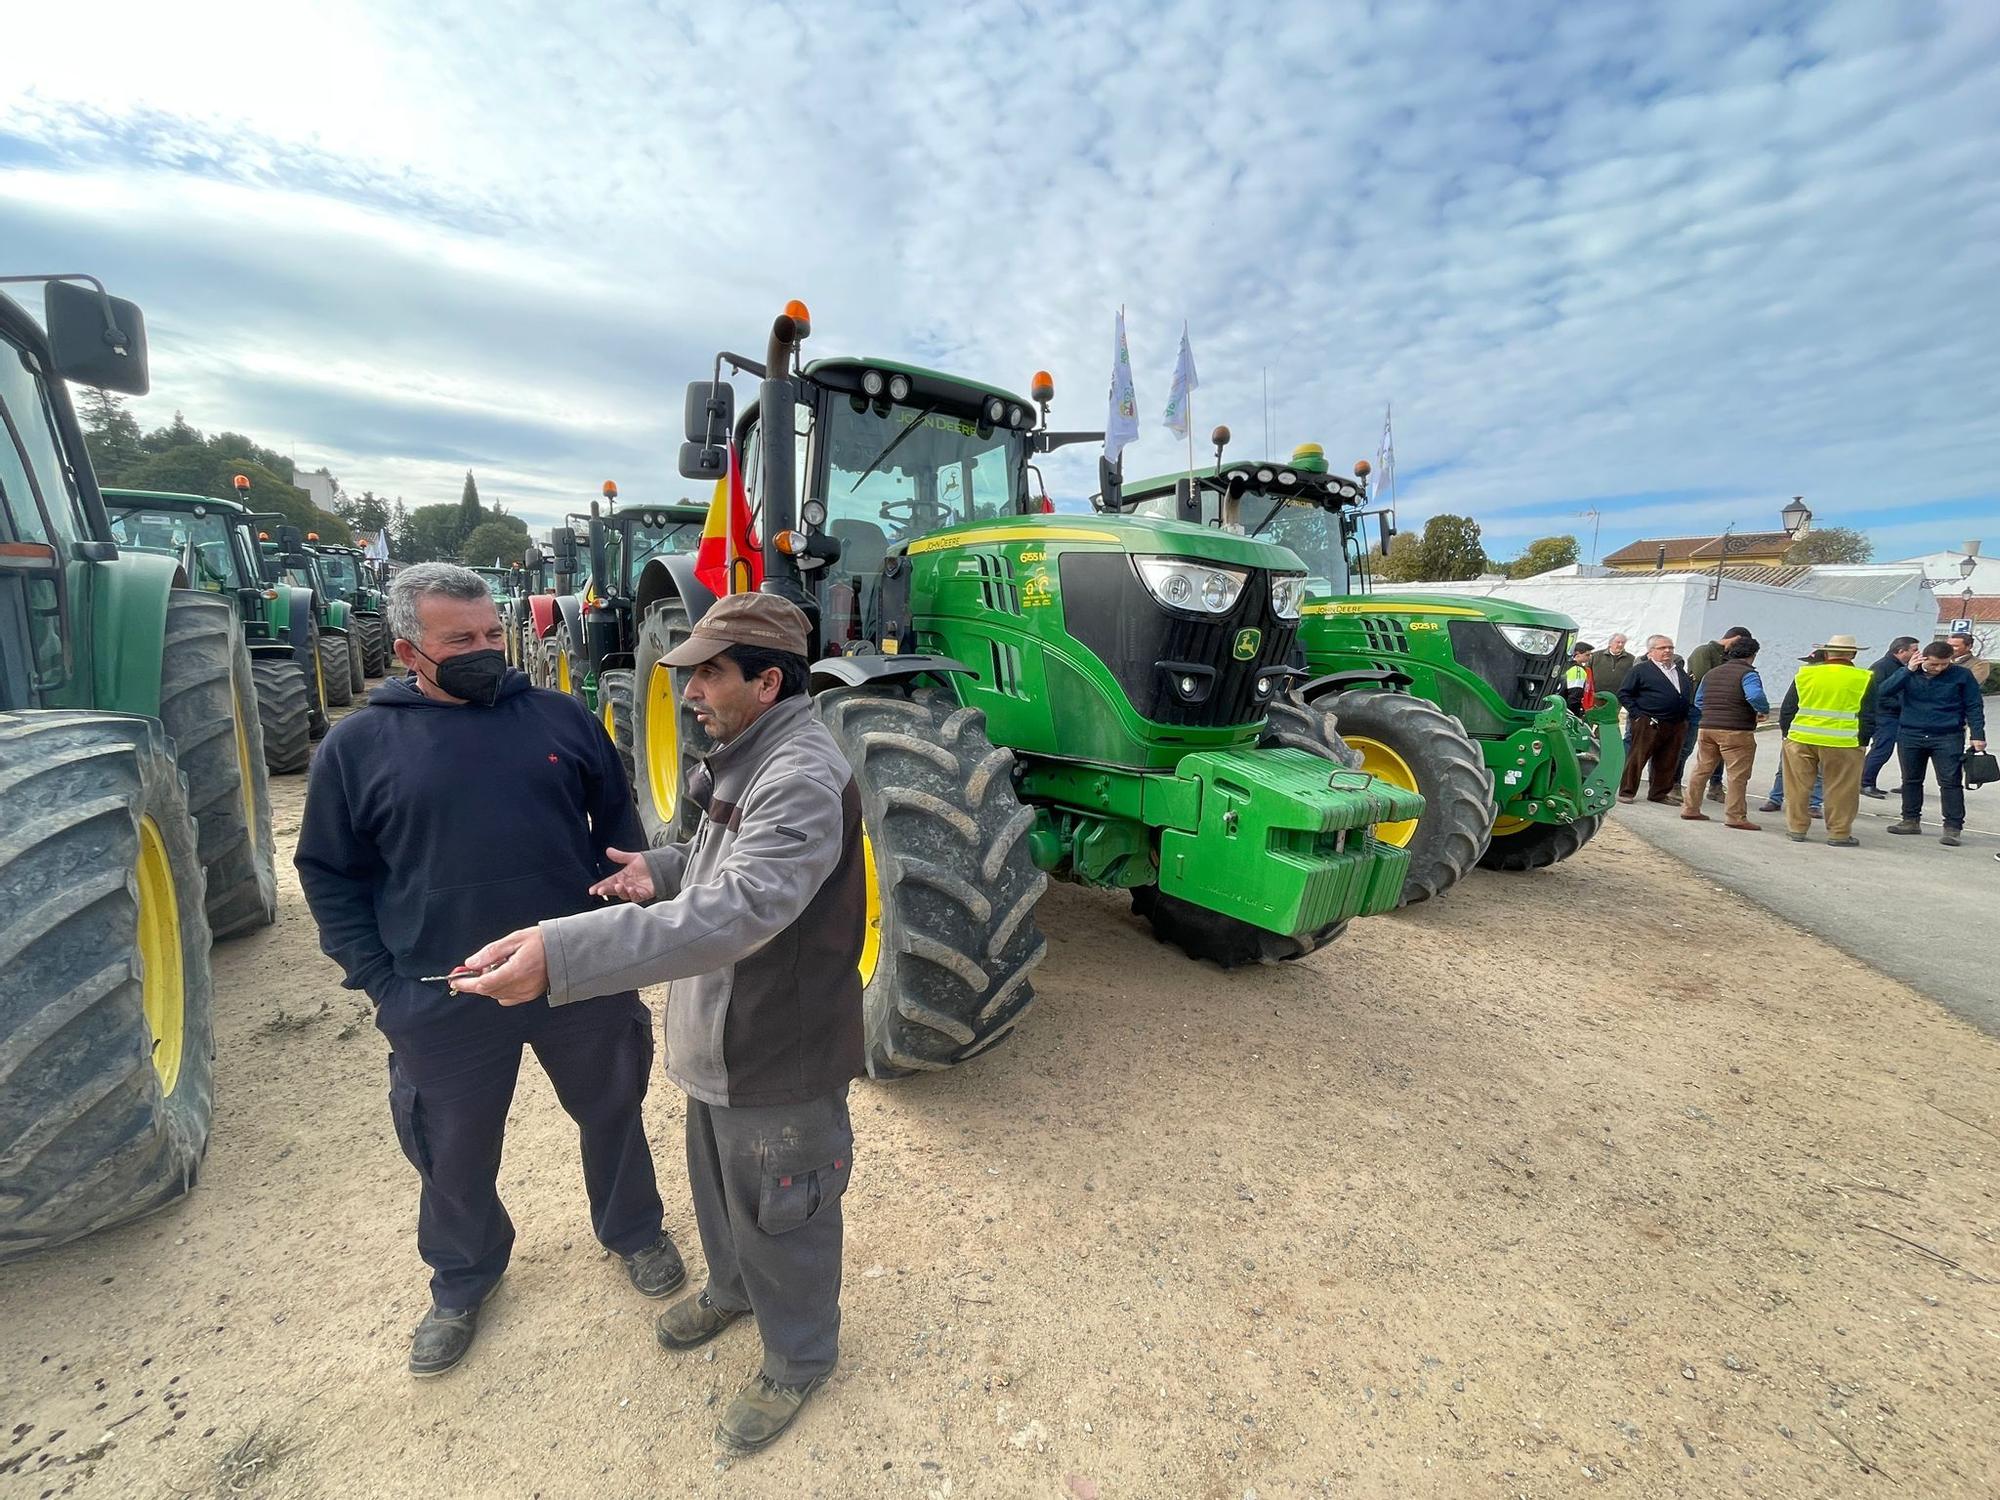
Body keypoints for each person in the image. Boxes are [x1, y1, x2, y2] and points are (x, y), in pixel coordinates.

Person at [454, 593, 864, 1457]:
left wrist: (561, 955)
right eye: (687, 675)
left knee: (784, 1206)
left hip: (777, 1046)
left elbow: (744, 906)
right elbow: (718, 868)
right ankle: (731, 1289)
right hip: (719, 1035)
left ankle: (797, 1357)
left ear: (768, 679)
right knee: (720, 1188)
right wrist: (663, 867)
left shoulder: (799, 776)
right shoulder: (743, 755)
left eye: (709, 674)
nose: (688, 694)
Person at [294, 563, 683, 1377]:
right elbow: (329, 873)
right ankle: (463, 1278)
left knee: (613, 1108)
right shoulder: (358, 747)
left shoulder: (559, 718)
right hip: (445, 991)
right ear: (408, 649)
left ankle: (634, 1231)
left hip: (576, 971)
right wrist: (383, 984)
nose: (483, 652)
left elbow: (616, 827)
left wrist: (616, 922)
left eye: (491, 636)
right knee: (455, 1150)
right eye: (458, 640)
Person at [1880, 640, 1987, 846]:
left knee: (1949, 782)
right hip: (1911, 733)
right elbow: (1884, 691)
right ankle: (1910, 820)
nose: (1939, 668)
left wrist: (1978, 735)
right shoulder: (1909, 673)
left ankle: (1953, 827)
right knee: (1910, 780)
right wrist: (1907, 671)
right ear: (1922, 658)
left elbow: (1974, 705)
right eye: (1934, 664)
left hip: (1947, 736)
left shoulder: (1961, 675)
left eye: (1945, 664)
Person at [1776, 633, 1876, 847]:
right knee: (1841, 790)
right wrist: (1863, 740)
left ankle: (1797, 829)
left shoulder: (1805, 674)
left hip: (1801, 737)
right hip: (1844, 741)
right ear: (1853, 654)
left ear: (1827, 652)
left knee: (1797, 787)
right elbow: (1869, 714)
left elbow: (1788, 708)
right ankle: (1838, 833)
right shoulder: (1864, 677)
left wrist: (1787, 734)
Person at [1680, 636, 1769, 829]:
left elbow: (1699, 700)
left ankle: (1690, 808)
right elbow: (1755, 695)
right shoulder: (1748, 673)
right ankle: (1735, 816)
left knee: (1701, 769)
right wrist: (1761, 710)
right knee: (1737, 774)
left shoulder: (1712, 674)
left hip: (1708, 727)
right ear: (1753, 655)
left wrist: (1712, 713)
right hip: (1735, 729)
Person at [1616, 634, 1694, 803]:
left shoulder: (1678, 670)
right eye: (1662, 648)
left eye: (1670, 647)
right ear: (1651, 651)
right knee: (1638, 757)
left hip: (1676, 723)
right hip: (1649, 722)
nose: (1668, 651)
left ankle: (1658, 793)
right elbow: (1624, 693)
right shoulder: (1641, 670)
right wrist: (1637, 715)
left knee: (1668, 759)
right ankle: (1627, 792)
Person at [1676, 626, 1751, 796]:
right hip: (1697, 706)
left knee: (1720, 751)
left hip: (1720, 710)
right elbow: (1705, 677)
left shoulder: (1730, 656)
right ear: (1735, 638)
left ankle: (1715, 785)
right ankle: (1674, 783)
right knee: (1686, 747)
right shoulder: (1704, 652)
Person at [1860, 636, 1923, 798]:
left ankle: (1867, 781)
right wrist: (1902, 705)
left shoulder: (1901, 666)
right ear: (1901, 651)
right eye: (1914, 650)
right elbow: (1878, 694)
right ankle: (1865, 783)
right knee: (1882, 750)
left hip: (1895, 715)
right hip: (1884, 715)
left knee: (1886, 750)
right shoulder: (1882, 666)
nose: (1918, 653)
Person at [1589, 634, 1637, 701]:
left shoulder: (1631, 659)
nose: (1620, 644)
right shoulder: (1596, 656)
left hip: (1617, 697)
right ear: (1610, 643)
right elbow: (1587, 672)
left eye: (1623, 642)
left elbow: (1633, 677)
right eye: (1618, 642)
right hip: (1597, 695)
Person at [1562, 642, 1595, 715]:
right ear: (1577, 654)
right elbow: (1575, 694)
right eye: (1587, 655)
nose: (1589, 657)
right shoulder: (1577, 670)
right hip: (1570, 710)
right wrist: (1575, 713)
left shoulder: (1564, 666)